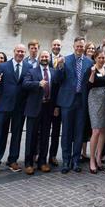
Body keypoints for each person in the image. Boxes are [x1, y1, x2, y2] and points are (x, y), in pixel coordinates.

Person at [55, 36, 94, 173]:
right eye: (77, 46)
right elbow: (57, 80)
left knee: (79, 132)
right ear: (73, 46)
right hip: (67, 101)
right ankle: (66, 160)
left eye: (81, 46)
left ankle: (76, 160)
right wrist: (59, 67)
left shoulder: (90, 62)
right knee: (66, 132)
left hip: (82, 101)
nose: (79, 48)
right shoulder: (65, 60)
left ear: (84, 47)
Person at [0, 44, 29, 175]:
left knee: (17, 135)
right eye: (18, 51)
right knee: (1, 135)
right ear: (14, 52)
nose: (20, 53)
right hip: (5, 106)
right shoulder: (3, 66)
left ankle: (13, 160)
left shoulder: (28, 67)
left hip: (20, 107)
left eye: (22, 52)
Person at [22, 50, 60, 175]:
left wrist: (56, 107)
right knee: (31, 137)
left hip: (48, 108)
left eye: (46, 56)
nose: (44, 58)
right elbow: (25, 84)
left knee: (45, 136)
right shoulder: (32, 71)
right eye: (42, 56)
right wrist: (37, 83)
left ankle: (42, 162)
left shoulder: (54, 72)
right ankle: (28, 163)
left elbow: (56, 91)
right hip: (34, 108)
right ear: (39, 58)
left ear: (49, 58)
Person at [86, 49, 105, 173]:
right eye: (99, 58)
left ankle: (98, 157)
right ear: (95, 58)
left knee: (103, 129)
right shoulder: (91, 69)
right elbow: (88, 85)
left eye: (103, 57)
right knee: (95, 130)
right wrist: (92, 73)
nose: (101, 60)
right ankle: (91, 160)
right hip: (94, 99)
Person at [48, 38, 63, 166]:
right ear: (51, 46)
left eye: (58, 45)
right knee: (42, 130)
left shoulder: (64, 61)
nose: (56, 46)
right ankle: (39, 154)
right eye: (55, 44)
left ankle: (52, 155)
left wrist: (58, 104)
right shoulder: (45, 58)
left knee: (56, 131)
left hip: (57, 102)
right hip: (44, 102)